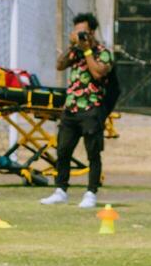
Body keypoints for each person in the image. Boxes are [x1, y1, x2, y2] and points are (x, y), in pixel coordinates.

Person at [41, 12, 112, 209]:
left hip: (91, 109)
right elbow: (59, 65)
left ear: (92, 32)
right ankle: (60, 190)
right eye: (77, 31)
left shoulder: (102, 52)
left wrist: (88, 50)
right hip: (71, 109)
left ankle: (91, 193)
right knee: (63, 150)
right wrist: (72, 46)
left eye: (83, 32)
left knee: (93, 153)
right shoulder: (75, 52)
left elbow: (98, 73)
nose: (80, 35)